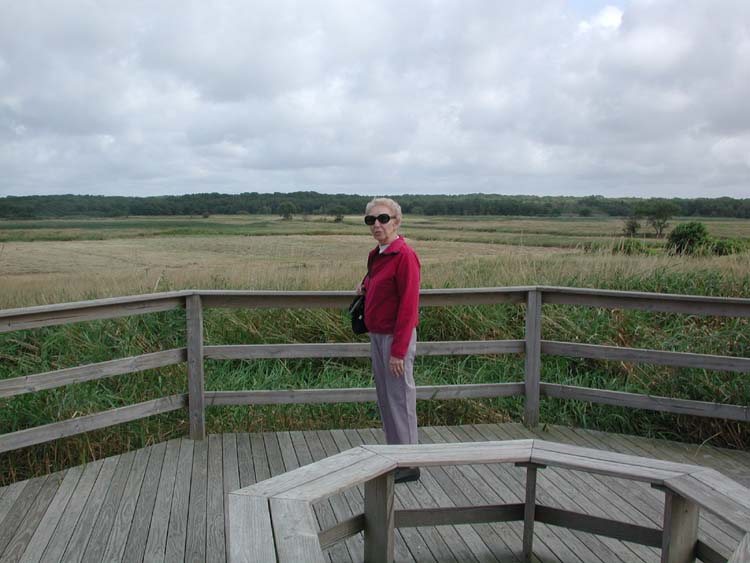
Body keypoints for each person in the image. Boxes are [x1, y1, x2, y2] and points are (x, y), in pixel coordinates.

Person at [358, 197, 421, 483]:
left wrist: (398, 351)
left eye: (383, 218)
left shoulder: (404, 255)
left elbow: (408, 307)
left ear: (397, 221)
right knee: (386, 397)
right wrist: (365, 286)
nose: (377, 225)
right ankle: (396, 456)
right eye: (371, 220)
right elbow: (377, 282)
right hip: (377, 334)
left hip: (396, 338)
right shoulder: (378, 254)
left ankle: (409, 462)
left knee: (400, 398)